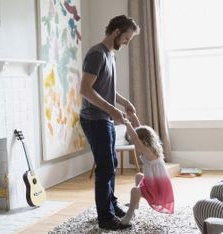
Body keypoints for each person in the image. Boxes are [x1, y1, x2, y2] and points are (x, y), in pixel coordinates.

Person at [79, 15, 140, 230]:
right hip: (94, 119)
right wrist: (113, 109)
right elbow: (85, 90)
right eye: (126, 37)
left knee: (111, 164)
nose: (127, 42)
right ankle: (105, 217)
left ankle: (111, 205)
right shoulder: (96, 54)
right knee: (105, 167)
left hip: (104, 117)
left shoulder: (109, 55)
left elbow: (105, 87)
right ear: (116, 31)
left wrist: (124, 103)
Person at [120, 111, 174, 225]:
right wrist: (134, 117)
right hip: (154, 183)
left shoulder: (148, 152)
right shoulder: (150, 148)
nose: (134, 144)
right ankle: (136, 204)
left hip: (157, 190)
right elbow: (139, 132)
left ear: (143, 141)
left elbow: (135, 137)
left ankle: (129, 214)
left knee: (135, 190)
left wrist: (126, 122)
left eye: (137, 141)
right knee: (139, 176)